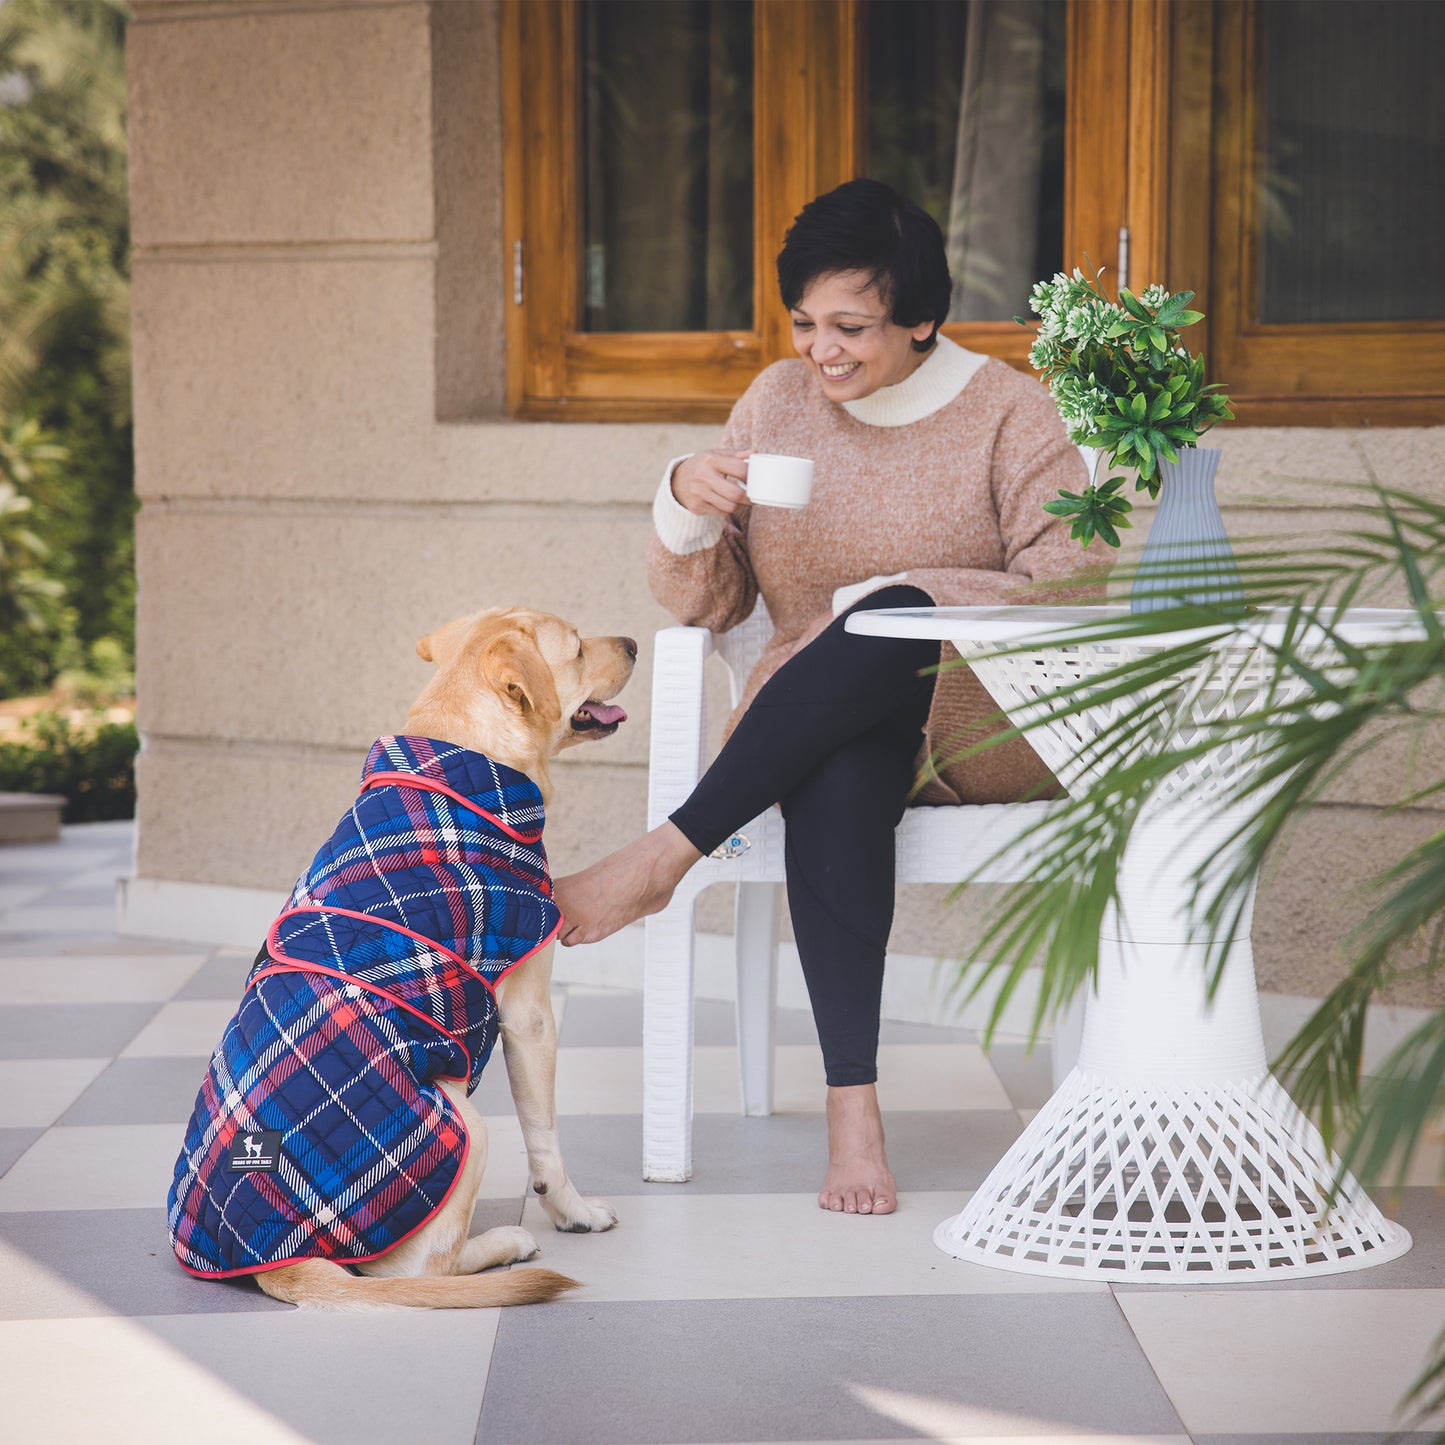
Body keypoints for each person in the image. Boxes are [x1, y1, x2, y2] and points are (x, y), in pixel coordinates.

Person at [555, 178, 1094, 1216]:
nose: (821, 350)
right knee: (839, 758)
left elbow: (1067, 580)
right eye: (803, 323)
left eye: (851, 326)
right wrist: (681, 506)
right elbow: (711, 605)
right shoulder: (773, 402)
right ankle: (855, 1113)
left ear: (921, 318)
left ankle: (660, 854)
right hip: (821, 724)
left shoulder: (1007, 410)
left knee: (881, 622)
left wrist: (890, 607)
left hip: (987, 721)